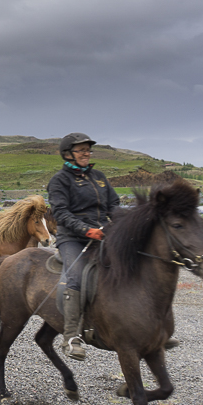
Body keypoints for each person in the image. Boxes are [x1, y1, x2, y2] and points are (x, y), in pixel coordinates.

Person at [47, 132, 120, 361]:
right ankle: (71, 337)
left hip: (101, 235)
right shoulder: (60, 180)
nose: (86, 153)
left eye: (88, 150)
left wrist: (123, 222)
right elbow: (60, 212)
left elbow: (114, 204)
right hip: (72, 238)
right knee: (76, 277)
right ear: (68, 154)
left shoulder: (98, 177)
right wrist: (85, 229)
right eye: (81, 150)